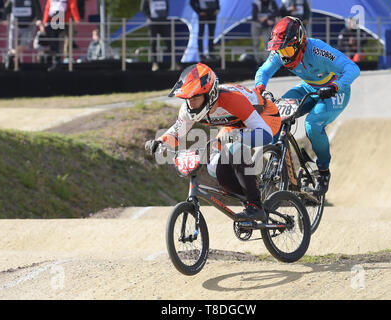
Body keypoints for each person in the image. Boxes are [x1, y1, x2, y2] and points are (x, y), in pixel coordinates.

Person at [145, 63, 282, 221]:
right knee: (214, 166)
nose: (191, 103)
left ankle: (255, 205)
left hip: (265, 115)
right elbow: (176, 134)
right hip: (234, 126)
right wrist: (160, 142)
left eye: (195, 97)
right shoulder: (188, 108)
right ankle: (252, 196)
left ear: (210, 94)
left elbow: (264, 135)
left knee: (234, 148)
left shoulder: (232, 100)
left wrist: (236, 139)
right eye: (187, 98)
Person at [254, 16, 360, 196]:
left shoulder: (318, 49)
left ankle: (324, 172)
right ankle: (277, 159)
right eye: (280, 50)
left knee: (312, 124)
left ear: (300, 43)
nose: (284, 55)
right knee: (275, 114)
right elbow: (263, 71)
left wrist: (335, 86)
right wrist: (260, 88)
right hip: (308, 86)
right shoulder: (281, 50)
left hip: (334, 90)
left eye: (287, 50)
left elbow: (352, 69)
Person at [4, 0, 44, 70]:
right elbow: (7, 7)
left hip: (29, 25)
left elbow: (37, 8)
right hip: (15, 25)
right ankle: (15, 63)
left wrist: (39, 19)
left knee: (24, 43)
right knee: (12, 45)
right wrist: (4, 18)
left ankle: (11, 55)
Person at [42, 0, 81, 71]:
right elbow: (48, 8)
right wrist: (45, 21)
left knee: (64, 40)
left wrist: (76, 19)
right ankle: (59, 60)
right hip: (58, 19)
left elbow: (72, 6)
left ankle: (62, 59)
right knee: (58, 41)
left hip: (64, 20)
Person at [141, 0, 171, 72]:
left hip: (163, 22)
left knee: (169, 42)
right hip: (152, 23)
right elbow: (143, 8)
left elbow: (167, 7)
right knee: (153, 42)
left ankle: (174, 63)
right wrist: (151, 17)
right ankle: (155, 63)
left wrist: (164, 17)